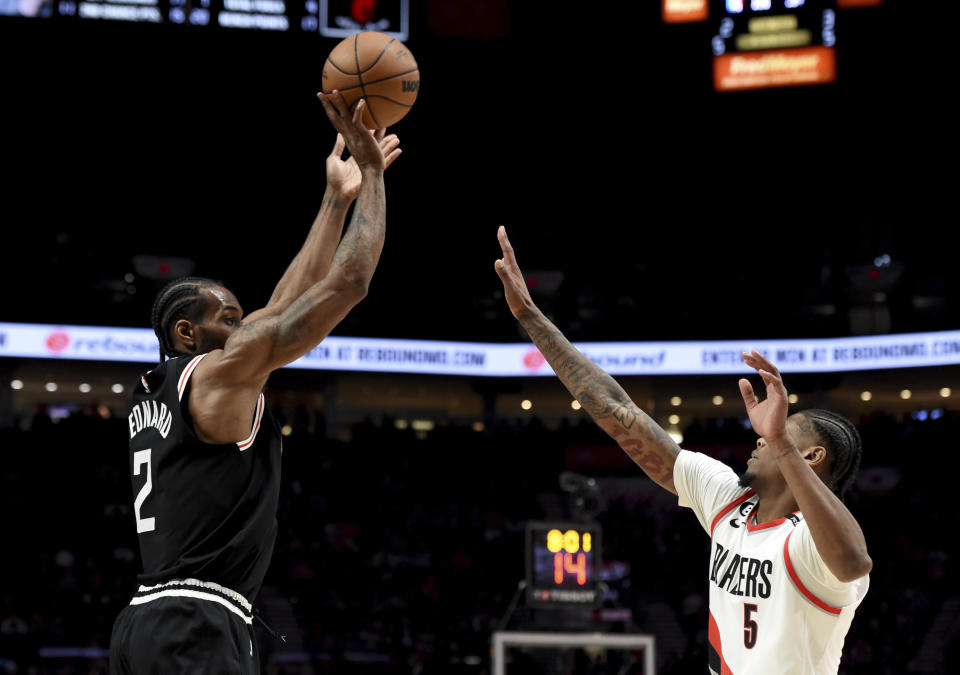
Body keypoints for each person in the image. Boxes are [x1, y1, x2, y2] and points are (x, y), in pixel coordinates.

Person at [108, 91, 401, 675]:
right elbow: (351, 283)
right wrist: (371, 175)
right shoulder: (218, 376)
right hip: (195, 625)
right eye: (230, 320)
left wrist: (332, 202)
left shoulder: (168, 386)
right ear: (188, 332)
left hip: (144, 622)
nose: (247, 325)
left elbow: (281, 306)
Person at [493, 226, 872, 674]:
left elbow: (854, 563)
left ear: (811, 457)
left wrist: (780, 444)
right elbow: (618, 411)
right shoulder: (728, 499)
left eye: (783, 436)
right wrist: (534, 320)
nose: (761, 439)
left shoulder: (808, 541)